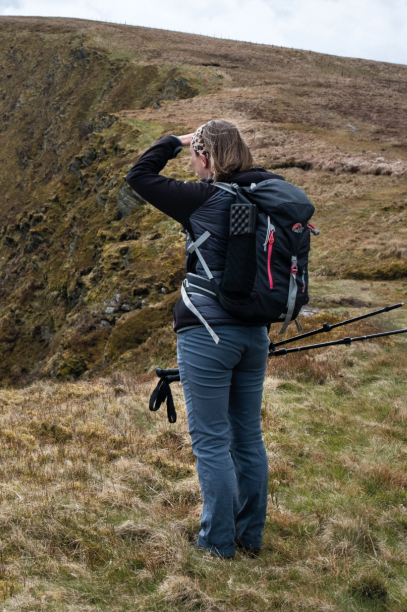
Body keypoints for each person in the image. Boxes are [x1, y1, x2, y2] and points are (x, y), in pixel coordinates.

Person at [125, 119, 280, 558]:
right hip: (255, 334)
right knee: (248, 438)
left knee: (212, 440)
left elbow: (139, 176)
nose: (192, 164)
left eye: (196, 155)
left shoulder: (204, 199)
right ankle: (248, 538)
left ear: (206, 156)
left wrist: (176, 140)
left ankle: (216, 544)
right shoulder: (265, 196)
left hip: (208, 333)